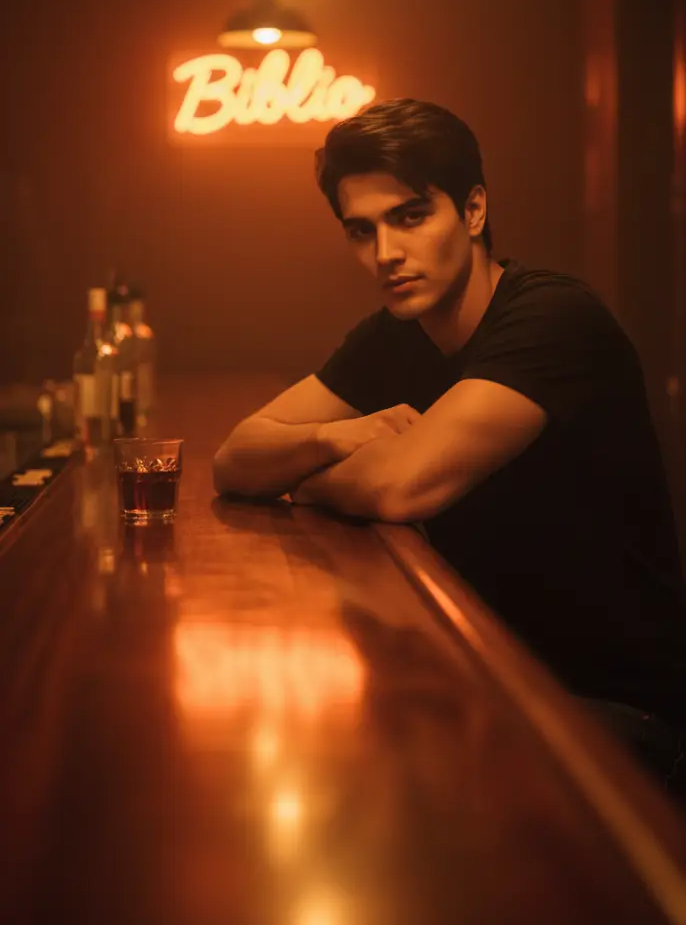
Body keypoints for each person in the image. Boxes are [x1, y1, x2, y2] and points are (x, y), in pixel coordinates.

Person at [213, 98, 686, 799]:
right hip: (485, 676)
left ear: (472, 212)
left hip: (609, 708)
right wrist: (332, 437)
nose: (386, 254)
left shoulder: (553, 318)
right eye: (361, 231)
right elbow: (235, 457)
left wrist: (306, 480)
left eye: (410, 216)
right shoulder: (395, 334)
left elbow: (402, 487)